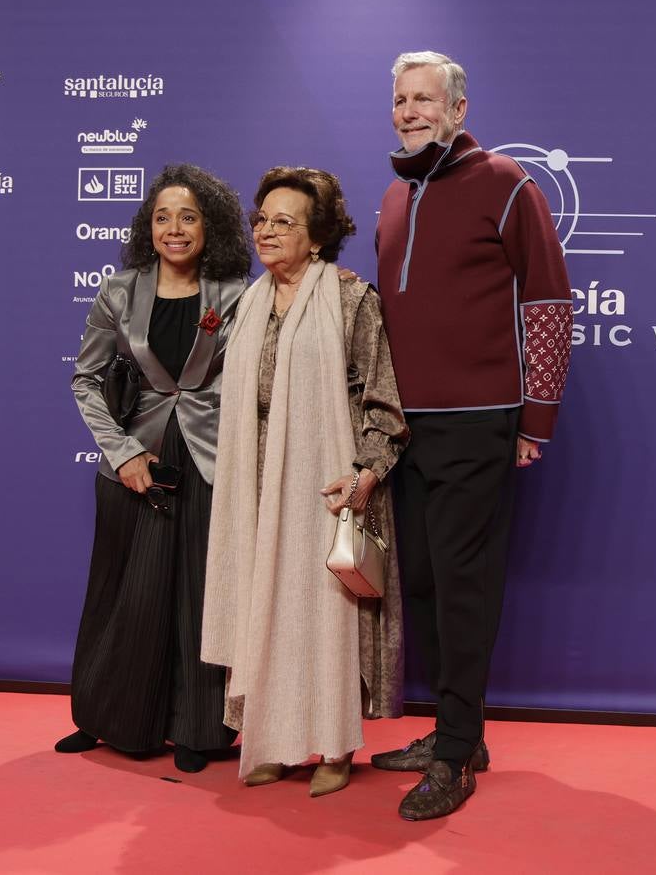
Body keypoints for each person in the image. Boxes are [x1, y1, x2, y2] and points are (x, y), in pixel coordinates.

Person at [369, 51, 574, 820]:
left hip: (477, 421)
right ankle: (458, 733)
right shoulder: (394, 194)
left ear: (458, 109)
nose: (409, 111)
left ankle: (453, 756)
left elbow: (548, 302)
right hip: (405, 427)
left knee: (463, 587)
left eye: (424, 99)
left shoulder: (505, 181)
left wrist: (535, 418)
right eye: (400, 99)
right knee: (421, 582)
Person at [200, 166, 407, 797]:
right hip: (256, 483)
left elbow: (383, 403)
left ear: (317, 238)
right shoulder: (246, 303)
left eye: (283, 222)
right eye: (261, 219)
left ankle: (334, 746)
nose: (265, 231)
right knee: (265, 610)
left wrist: (367, 473)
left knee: (322, 615)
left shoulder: (351, 300)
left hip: (325, 482)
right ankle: (271, 740)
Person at [61, 163, 251, 773]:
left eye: (188, 217)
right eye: (162, 217)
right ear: (148, 226)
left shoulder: (238, 293)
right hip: (133, 458)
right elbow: (86, 380)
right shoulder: (118, 292)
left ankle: (198, 729)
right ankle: (107, 718)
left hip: (210, 458)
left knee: (200, 595)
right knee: (125, 591)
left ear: (210, 226)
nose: (174, 228)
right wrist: (123, 453)